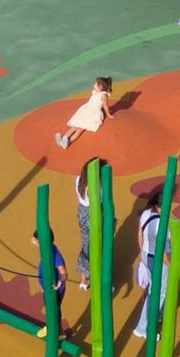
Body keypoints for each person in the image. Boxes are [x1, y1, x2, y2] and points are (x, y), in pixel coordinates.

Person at [71, 157, 105, 288]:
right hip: (93, 216)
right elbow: (100, 203)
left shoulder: (79, 180)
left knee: (86, 245)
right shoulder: (96, 188)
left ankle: (84, 279)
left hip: (82, 214)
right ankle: (98, 279)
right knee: (98, 247)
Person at [131, 195, 163, 337]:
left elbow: (140, 234)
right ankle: (145, 327)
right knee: (158, 293)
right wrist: (173, 265)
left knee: (154, 289)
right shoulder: (160, 223)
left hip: (146, 254)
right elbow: (164, 250)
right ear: (158, 206)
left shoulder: (145, 214)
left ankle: (155, 316)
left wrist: (142, 252)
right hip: (157, 258)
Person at [54, 77, 114, 150]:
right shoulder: (95, 91)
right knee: (74, 126)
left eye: (96, 84)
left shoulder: (103, 95)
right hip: (86, 110)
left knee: (79, 129)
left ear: (100, 86)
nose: (94, 84)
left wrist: (109, 115)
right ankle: (64, 139)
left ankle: (68, 142)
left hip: (92, 113)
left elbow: (105, 106)